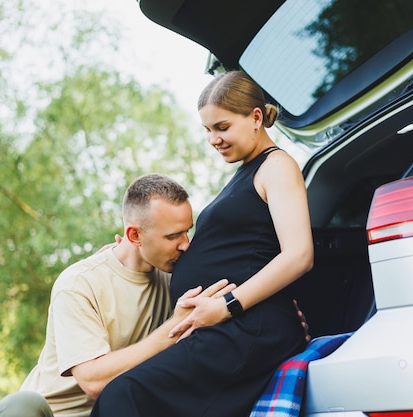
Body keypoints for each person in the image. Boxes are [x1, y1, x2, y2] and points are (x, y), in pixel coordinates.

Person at [90, 70, 314, 417]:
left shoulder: (277, 165)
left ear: (256, 118)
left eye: (221, 127)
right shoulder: (244, 173)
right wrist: (130, 250)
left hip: (246, 326)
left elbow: (299, 255)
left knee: (125, 396)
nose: (213, 139)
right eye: (207, 130)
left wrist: (227, 306)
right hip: (225, 326)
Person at [0, 173, 235, 417]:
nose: (185, 244)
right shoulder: (79, 283)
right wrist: (174, 327)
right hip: (50, 413)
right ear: (134, 236)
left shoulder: (176, 279)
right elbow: (93, 382)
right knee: (21, 405)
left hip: (119, 410)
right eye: (172, 236)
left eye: (186, 232)